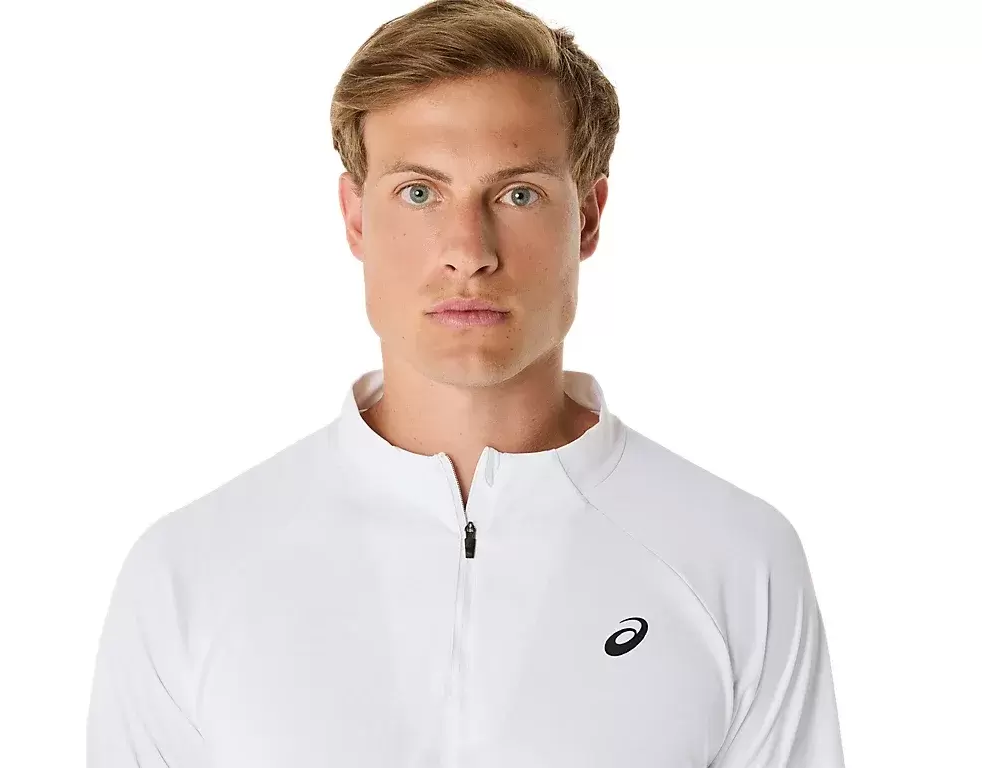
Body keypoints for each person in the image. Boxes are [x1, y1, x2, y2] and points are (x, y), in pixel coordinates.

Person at [86, 0, 846, 765]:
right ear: (356, 217)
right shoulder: (192, 572)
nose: (468, 250)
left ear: (587, 217)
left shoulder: (734, 561)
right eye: (420, 192)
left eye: (518, 194)